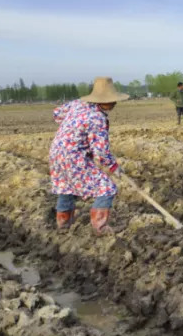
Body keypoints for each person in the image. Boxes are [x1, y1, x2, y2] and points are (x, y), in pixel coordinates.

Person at [49, 77, 129, 234]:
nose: (114, 103)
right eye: (111, 100)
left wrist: (73, 126)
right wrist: (113, 167)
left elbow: (57, 113)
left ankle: (63, 226)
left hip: (56, 152)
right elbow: (101, 151)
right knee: (107, 188)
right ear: (102, 100)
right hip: (74, 156)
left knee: (66, 188)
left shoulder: (78, 104)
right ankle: (100, 228)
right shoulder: (97, 118)